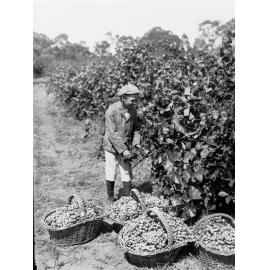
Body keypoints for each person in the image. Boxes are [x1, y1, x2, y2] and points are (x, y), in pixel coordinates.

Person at [103, 84, 141, 204]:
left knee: (126, 170)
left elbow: (136, 128)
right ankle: (110, 197)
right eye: (132, 100)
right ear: (123, 98)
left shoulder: (133, 110)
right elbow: (112, 132)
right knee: (111, 170)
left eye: (136, 100)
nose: (135, 103)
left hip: (126, 146)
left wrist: (136, 143)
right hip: (111, 146)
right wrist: (123, 150)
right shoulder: (112, 110)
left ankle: (127, 199)